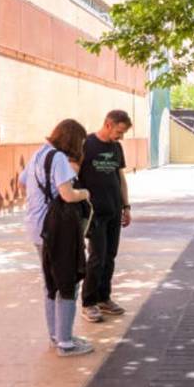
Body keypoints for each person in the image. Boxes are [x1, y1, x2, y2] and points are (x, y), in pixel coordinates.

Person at [18, 119, 93, 357]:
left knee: (50, 283)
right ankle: (66, 343)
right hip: (57, 231)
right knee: (67, 282)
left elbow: (21, 182)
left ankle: (56, 336)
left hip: (36, 228)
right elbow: (68, 195)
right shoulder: (59, 158)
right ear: (72, 139)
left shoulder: (39, 153)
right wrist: (85, 193)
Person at [78, 110, 133, 323]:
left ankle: (104, 298)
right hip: (94, 213)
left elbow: (120, 178)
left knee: (110, 255)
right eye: (119, 131)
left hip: (114, 209)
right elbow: (74, 175)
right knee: (97, 257)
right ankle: (89, 302)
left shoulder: (116, 147)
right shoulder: (86, 145)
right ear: (108, 124)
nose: (121, 137)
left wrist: (126, 206)